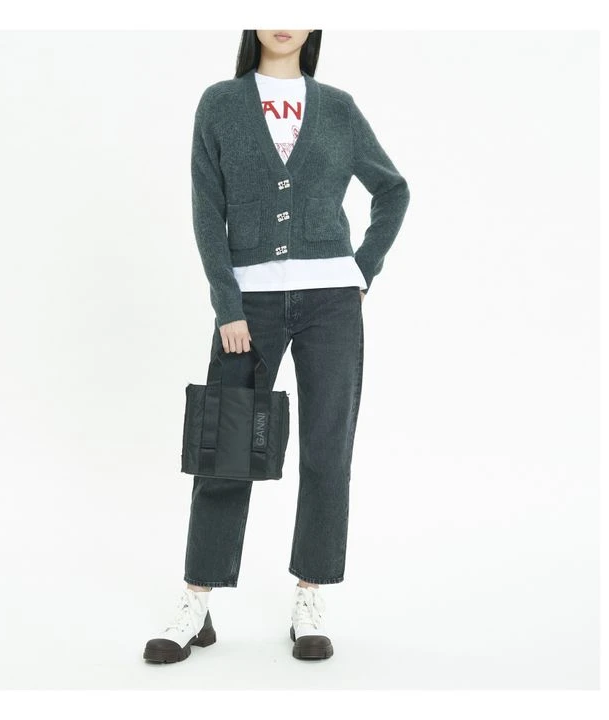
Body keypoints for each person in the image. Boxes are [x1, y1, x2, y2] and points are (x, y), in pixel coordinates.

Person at [144, 29, 410, 664]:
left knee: (326, 448)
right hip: (250, 306)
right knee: (227, 446)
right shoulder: (221, 103)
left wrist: (361, 270)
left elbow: (392, 189)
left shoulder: (338, 107)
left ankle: (309, 598)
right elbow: (207, 209)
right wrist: (227, 303)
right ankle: (196, 601)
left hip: (332, 304)